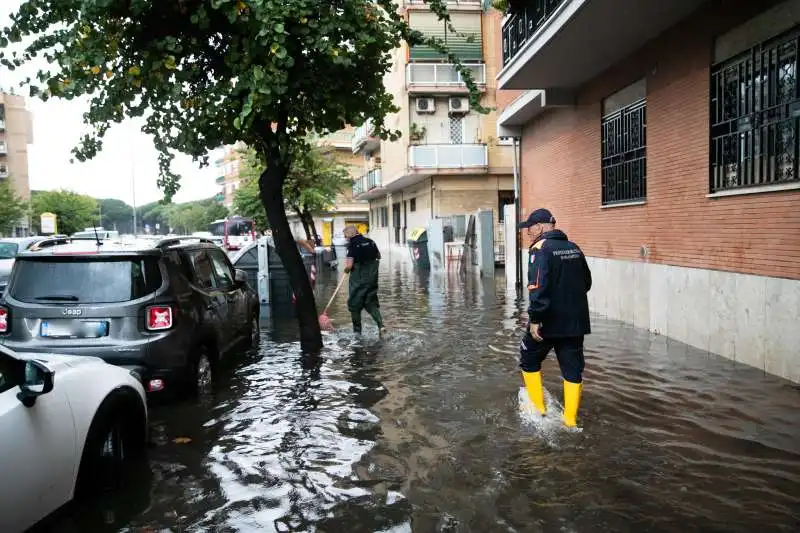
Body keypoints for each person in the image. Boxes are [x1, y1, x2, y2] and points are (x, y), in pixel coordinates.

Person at [518, 208, 592, 428]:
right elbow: (587, 283)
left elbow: (538, 288)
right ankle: (569, 420)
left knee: (528, 357)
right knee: (572, 369)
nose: (528, 234)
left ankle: (538, 408)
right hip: (576, 323)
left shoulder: (540, 249)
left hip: (548, 322)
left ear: (540, 227)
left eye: (530, 230)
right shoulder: (574, 248)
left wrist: (535, 320)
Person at [343, 225, 385, 335]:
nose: (345, 238)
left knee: (354, 304)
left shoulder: (352, 245)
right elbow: (379, 256)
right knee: (370, 301)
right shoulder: (370, 241)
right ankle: (381, 326)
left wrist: (346, 269)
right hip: (372, 278)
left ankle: (357, 333)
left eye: (345, 236)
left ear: (349, 235)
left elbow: (350, 265)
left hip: (359, 279)